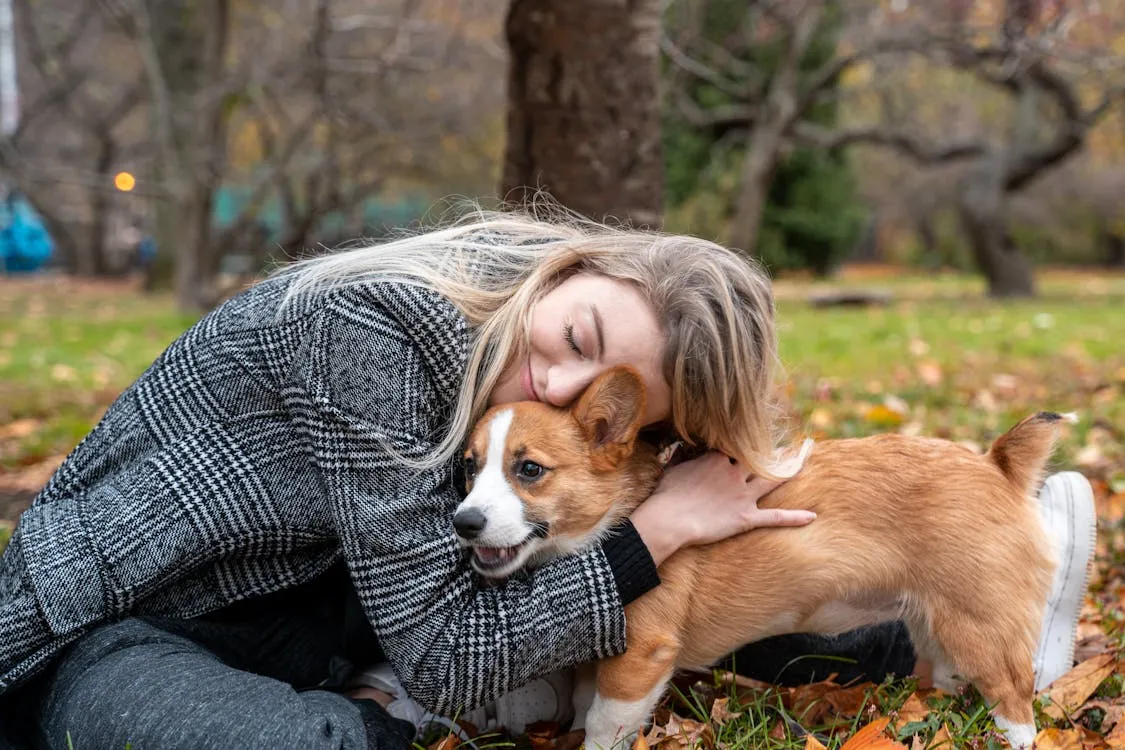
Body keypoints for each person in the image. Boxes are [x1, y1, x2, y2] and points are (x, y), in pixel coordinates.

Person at [0, 207, 1095, 749]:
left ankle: (999, 567)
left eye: (613, 399)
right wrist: (651, 537)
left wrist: (697, 516)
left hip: (323, 616)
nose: (554, 375)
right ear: (572, 268)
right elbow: (448, 646)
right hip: (125, 636)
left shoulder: (516, 388)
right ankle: (383, 716)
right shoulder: (368, 329)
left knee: (711, 614)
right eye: (575, 331)